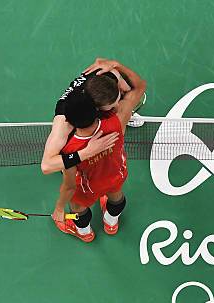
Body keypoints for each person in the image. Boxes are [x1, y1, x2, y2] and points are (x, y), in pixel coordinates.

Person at [52, 70, 147, 242]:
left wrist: (59, 209)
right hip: (115, 174)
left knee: (78, 207)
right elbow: (139, 87)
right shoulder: (120, 118)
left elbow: (69, 187)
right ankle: (111, 222)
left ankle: (85, 233)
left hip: (88, 187)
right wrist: (115, 65)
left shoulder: (69, 149)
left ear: (70, 122)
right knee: (116, 196)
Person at [40, 57, 146, 175]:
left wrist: (115, 65)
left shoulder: (109, 74)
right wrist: (87, 152)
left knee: (125, 102)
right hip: (75, 117)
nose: (117, 105)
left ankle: (125, 114)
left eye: (118, 98)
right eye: (112, 105)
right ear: (97, 108)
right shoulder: (64, 121)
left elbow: (128, 89)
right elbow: (46, 166)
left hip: (95, 98)